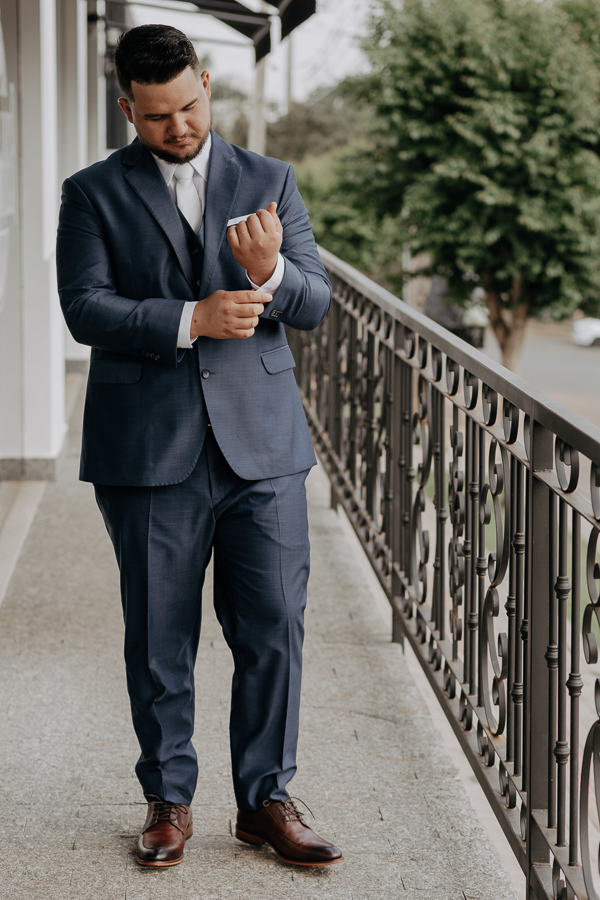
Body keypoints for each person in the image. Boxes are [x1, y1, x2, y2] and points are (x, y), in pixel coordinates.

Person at [56, 23, 343, 869]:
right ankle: (168, 800)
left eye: (187, 107)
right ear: (126, 109)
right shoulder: (91, 192)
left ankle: (265, 802)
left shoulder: (271, 179)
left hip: (262, 446)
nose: (177, 129)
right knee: (158, 633)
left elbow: (316, 300)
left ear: (207, 84)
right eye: (155, 118)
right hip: (149, 451)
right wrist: (189, 319)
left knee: (275, 626)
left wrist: (269, 277)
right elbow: (83, 307)